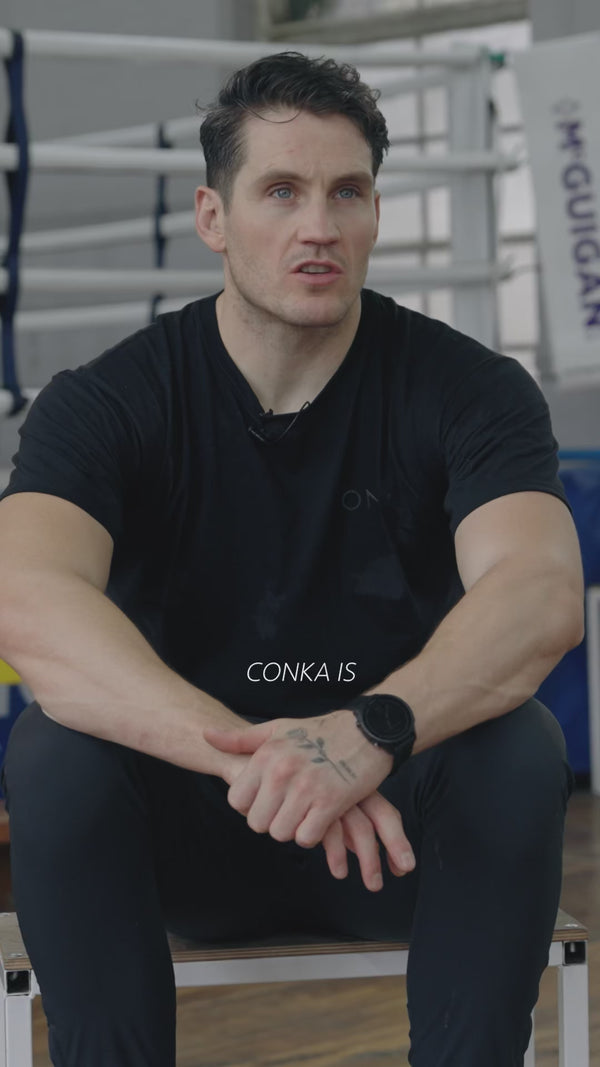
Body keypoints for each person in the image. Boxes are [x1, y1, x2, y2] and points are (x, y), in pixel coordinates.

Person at [0, 50, 584, 1067]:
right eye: (281, 191)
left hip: (396, 834)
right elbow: (24, 595)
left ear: (375, 213)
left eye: (346, 191)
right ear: (213, 217)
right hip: (190, 837)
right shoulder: (105, 401)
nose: (319, 225)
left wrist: (371, 731)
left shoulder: (473, 390)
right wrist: (260, 755)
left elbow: (539, 591)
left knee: (518, 747)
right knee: (55, 751)